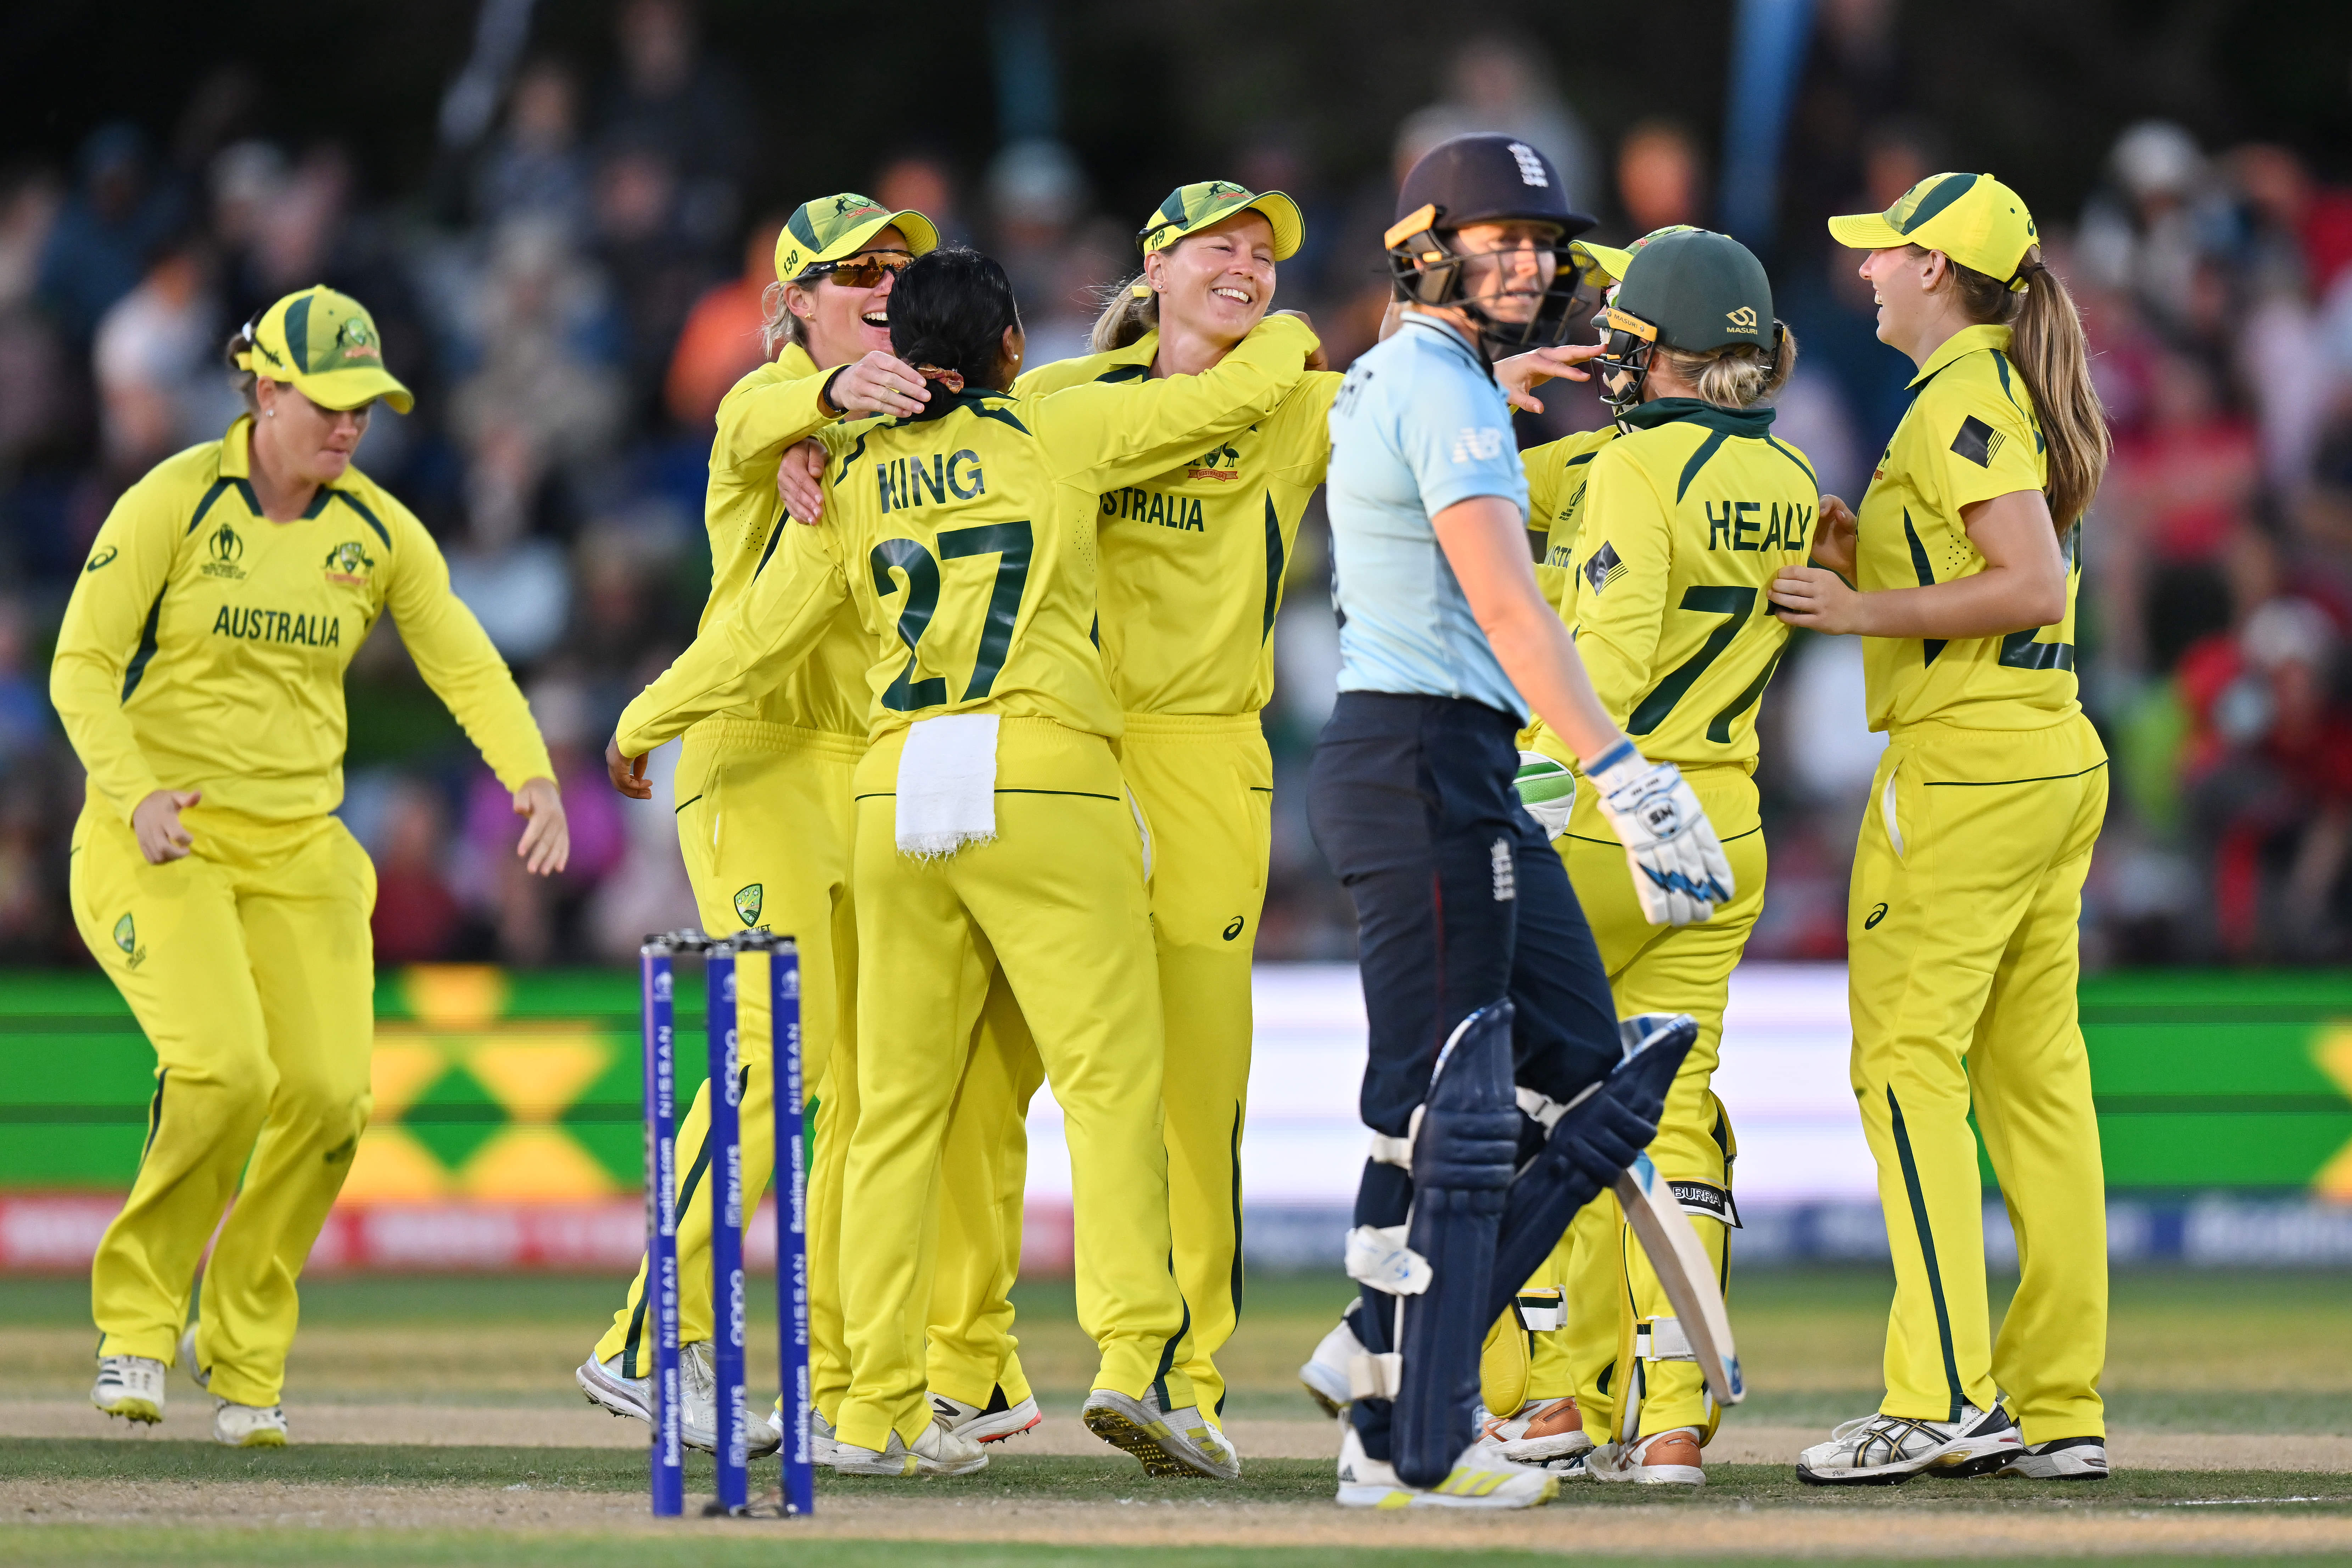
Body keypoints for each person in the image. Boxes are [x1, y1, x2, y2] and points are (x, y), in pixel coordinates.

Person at [609, 246, 1320, 1479]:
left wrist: (642, 718)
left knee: (891, 1110)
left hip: (895, 784)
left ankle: (872, 1406)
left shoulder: (860, 473)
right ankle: (1136, 1359)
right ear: (1005, 353)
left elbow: (763, 631)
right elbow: (1215, 403)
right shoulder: (1056, 427)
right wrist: (1287, 329)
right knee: (1107, 1081)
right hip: (1043, 768)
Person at [580, 193, 1054, 1460]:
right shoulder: (770, 407)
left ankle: (850, 1373)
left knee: (858, 1091)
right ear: (792, 300)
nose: (882, 283)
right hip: (753, 754)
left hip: (866, 767)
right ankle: (646, 1338)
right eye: (851, 271)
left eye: (899, 265)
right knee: (772, 1053)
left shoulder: (891, 423)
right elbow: (753, 421)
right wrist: (823, 406)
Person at [1302, 133, 1734, 1510]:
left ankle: (1381, 1346)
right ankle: (1398, 1434)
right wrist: (1623, 770)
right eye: (1507, 239)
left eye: (1547, 244)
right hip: (1426, 758)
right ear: (1426, 241)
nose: (1538, 264)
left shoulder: (1419, 377)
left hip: (1445, 764)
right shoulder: (1441, 394)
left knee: (1591, 1074)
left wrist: (1486, 389)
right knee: (1453, 1100)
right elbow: (1508, 604)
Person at [56, 286, 568, 1447]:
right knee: (227, 1070)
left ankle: (241, 1346)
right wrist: (133, 796)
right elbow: (80, 665)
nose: (350, 428)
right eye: (331, 404)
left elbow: (466, 661)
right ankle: (137, 1323)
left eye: (368, 409)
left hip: (302, 848)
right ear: (266, 389)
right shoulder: (174, 501)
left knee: (331, 1097)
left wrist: (529, 774)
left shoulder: (378, 531)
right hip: (158, 834)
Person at [1769, 172, 2113, 1484]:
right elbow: (2001, 575)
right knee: (2038, 1092)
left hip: (1968, 769)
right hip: (2040, 750)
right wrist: (1876, 564)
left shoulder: (1961, 394)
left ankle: (1943, 1397)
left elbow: (2022, 581)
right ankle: (2054, 1404)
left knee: (1903, 1065)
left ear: (1936, 271)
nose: (1863, 268)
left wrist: (1854, 613)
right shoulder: (1998, 389)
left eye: (1884, 251)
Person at [1484, 229, 1812, 1486]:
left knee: (1558, 1112)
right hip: (1725, 819)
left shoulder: (1630, 469)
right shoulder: (1786, 470)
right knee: (1673, 1110)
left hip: (1606, 817)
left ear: (1652, 351)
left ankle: (1563, 1398)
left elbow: (1607, 653)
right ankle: (1673, 1412)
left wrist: (1527, 778)